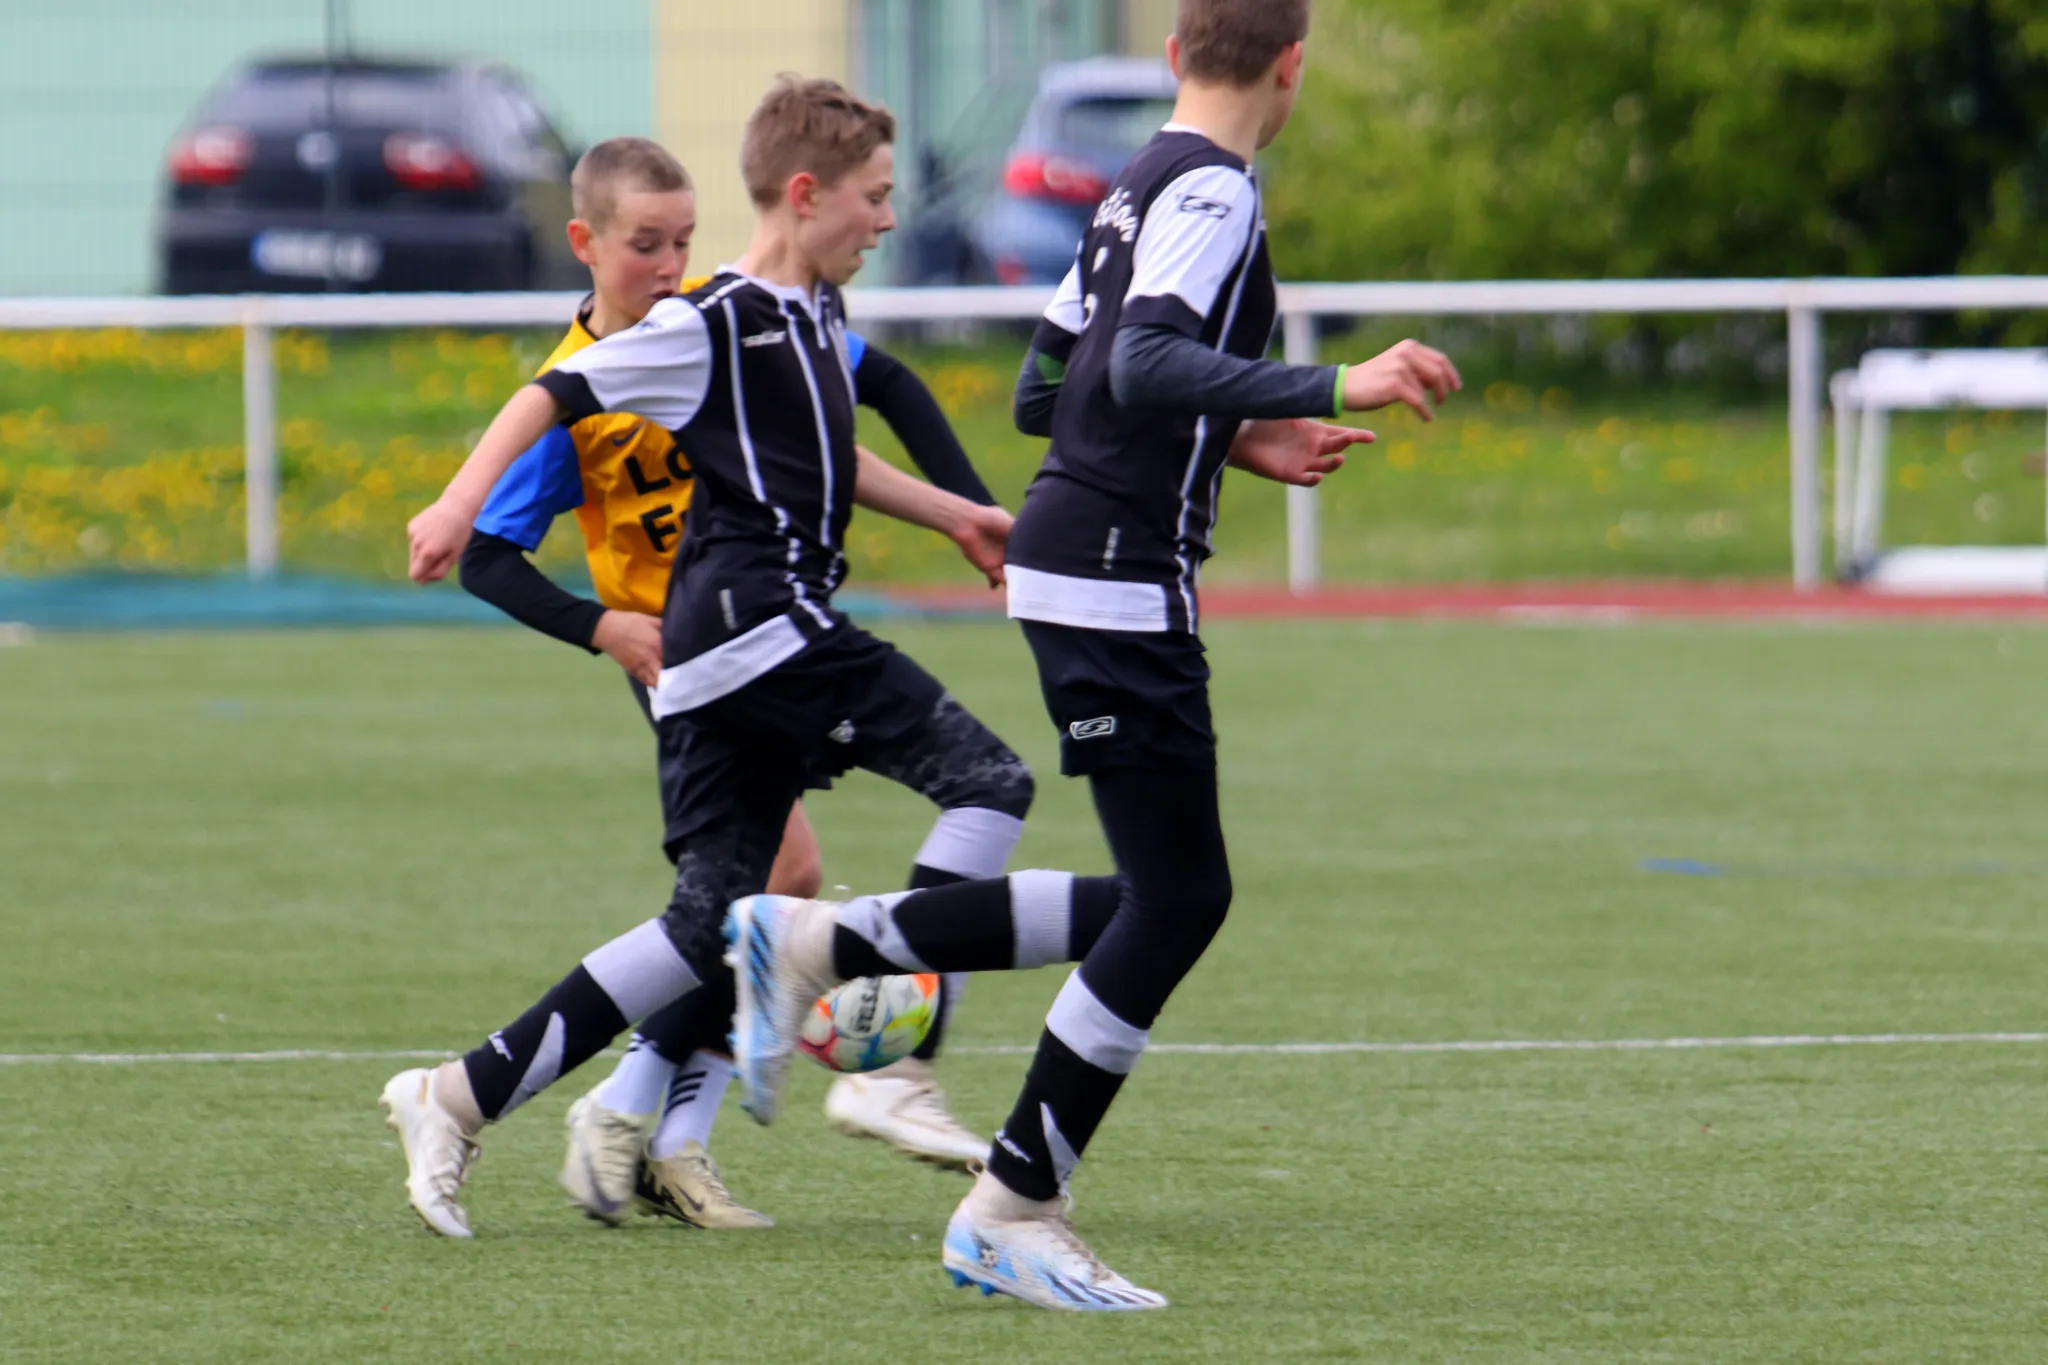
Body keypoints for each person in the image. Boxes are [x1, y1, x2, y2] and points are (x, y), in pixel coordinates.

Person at [723, 0, 1461, 1310]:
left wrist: (1240, 437)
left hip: (1077, 562)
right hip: (1114, 574)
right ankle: (1011, 1203)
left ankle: (821, 946)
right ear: (1292, 65)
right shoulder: (1214, 190)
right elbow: (1148, 360)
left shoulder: (1132, 185)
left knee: (1161, 893)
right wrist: (1329, 384)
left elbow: (1046, 390)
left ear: (1173, 55)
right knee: (1176, 902)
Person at [379, 75, 1056, 1241]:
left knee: (711, 923)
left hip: (713, 660)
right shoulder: (712, 321)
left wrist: (959, 514)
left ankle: (460, 1095)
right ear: (807, 193)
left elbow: (834, 448)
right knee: (985, 785)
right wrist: (455, 506)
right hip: (756, 636)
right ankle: (891, 1065)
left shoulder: (803, 315)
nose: (887, 219)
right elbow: (551, 393)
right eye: (873, 196)